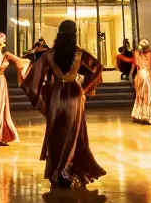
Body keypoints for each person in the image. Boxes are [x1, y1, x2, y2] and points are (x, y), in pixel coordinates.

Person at [20, 19, 106, 188]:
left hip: (57, 96)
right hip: (75, 95)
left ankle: (57, 171)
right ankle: (69, 169)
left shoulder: (50, 54)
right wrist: (86, 89)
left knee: (56, 134)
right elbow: (97, 68)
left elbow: (31, 80)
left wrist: (40, 101)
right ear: (74, 35)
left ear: (59, 34)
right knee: (75, 134)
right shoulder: (79, 53)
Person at [118, 39, 151, 125]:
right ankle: (148, 116)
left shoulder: (137, 53)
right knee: (147, 96)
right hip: (146, 76)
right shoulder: (149, 54)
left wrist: (131, 72)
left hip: (140, 76)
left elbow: (132, 63)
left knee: (141, 96)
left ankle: (141, 115)